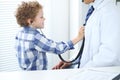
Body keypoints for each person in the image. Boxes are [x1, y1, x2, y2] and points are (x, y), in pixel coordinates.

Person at [14, 1, 84, 70]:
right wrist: (78, 37)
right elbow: (58, 48)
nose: (44, 19)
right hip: (37, 76)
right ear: (30, 21)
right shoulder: (35, 38)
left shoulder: (19, 34)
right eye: (41, 17)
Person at [52, 0, 120, 69]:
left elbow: (110, 55)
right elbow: (88, 47)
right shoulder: (95, 10)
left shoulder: (110, 12)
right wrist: (72, 60)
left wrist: (83, 70)